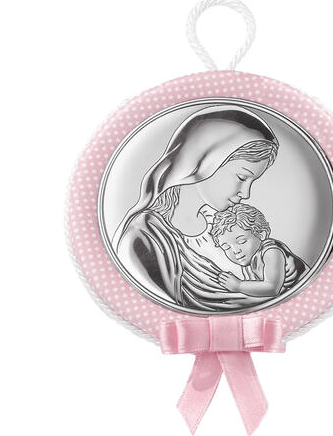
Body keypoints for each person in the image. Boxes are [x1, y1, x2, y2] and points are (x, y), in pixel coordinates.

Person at [113, 104, 279, 311]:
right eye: (242, 177)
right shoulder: (146, 236)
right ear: (206, 161)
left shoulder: (228, 225)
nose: (245, 194)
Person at [210, 203, 309, 297]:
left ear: (261, 234)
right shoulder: (249, 260)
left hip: (307, 289)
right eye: (226, 247)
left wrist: (238, 286)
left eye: (241, 241)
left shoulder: (271, 251)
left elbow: (273, 288)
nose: (235, 251)